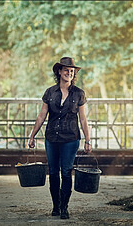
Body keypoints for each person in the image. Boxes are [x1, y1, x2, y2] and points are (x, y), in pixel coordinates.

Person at [28, 57, 91, 219]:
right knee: (54, 172)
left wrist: (88, 140)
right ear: (59, 71)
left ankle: (65, 207)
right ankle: (55, 206)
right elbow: (42, 115)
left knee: (66, 172)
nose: (69, 73)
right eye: (66, 70)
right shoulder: (50, 92)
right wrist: (32, 135)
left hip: (70, 138)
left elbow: (83, 119)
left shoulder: (78, 94)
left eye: (72, 71)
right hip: (51, 138)